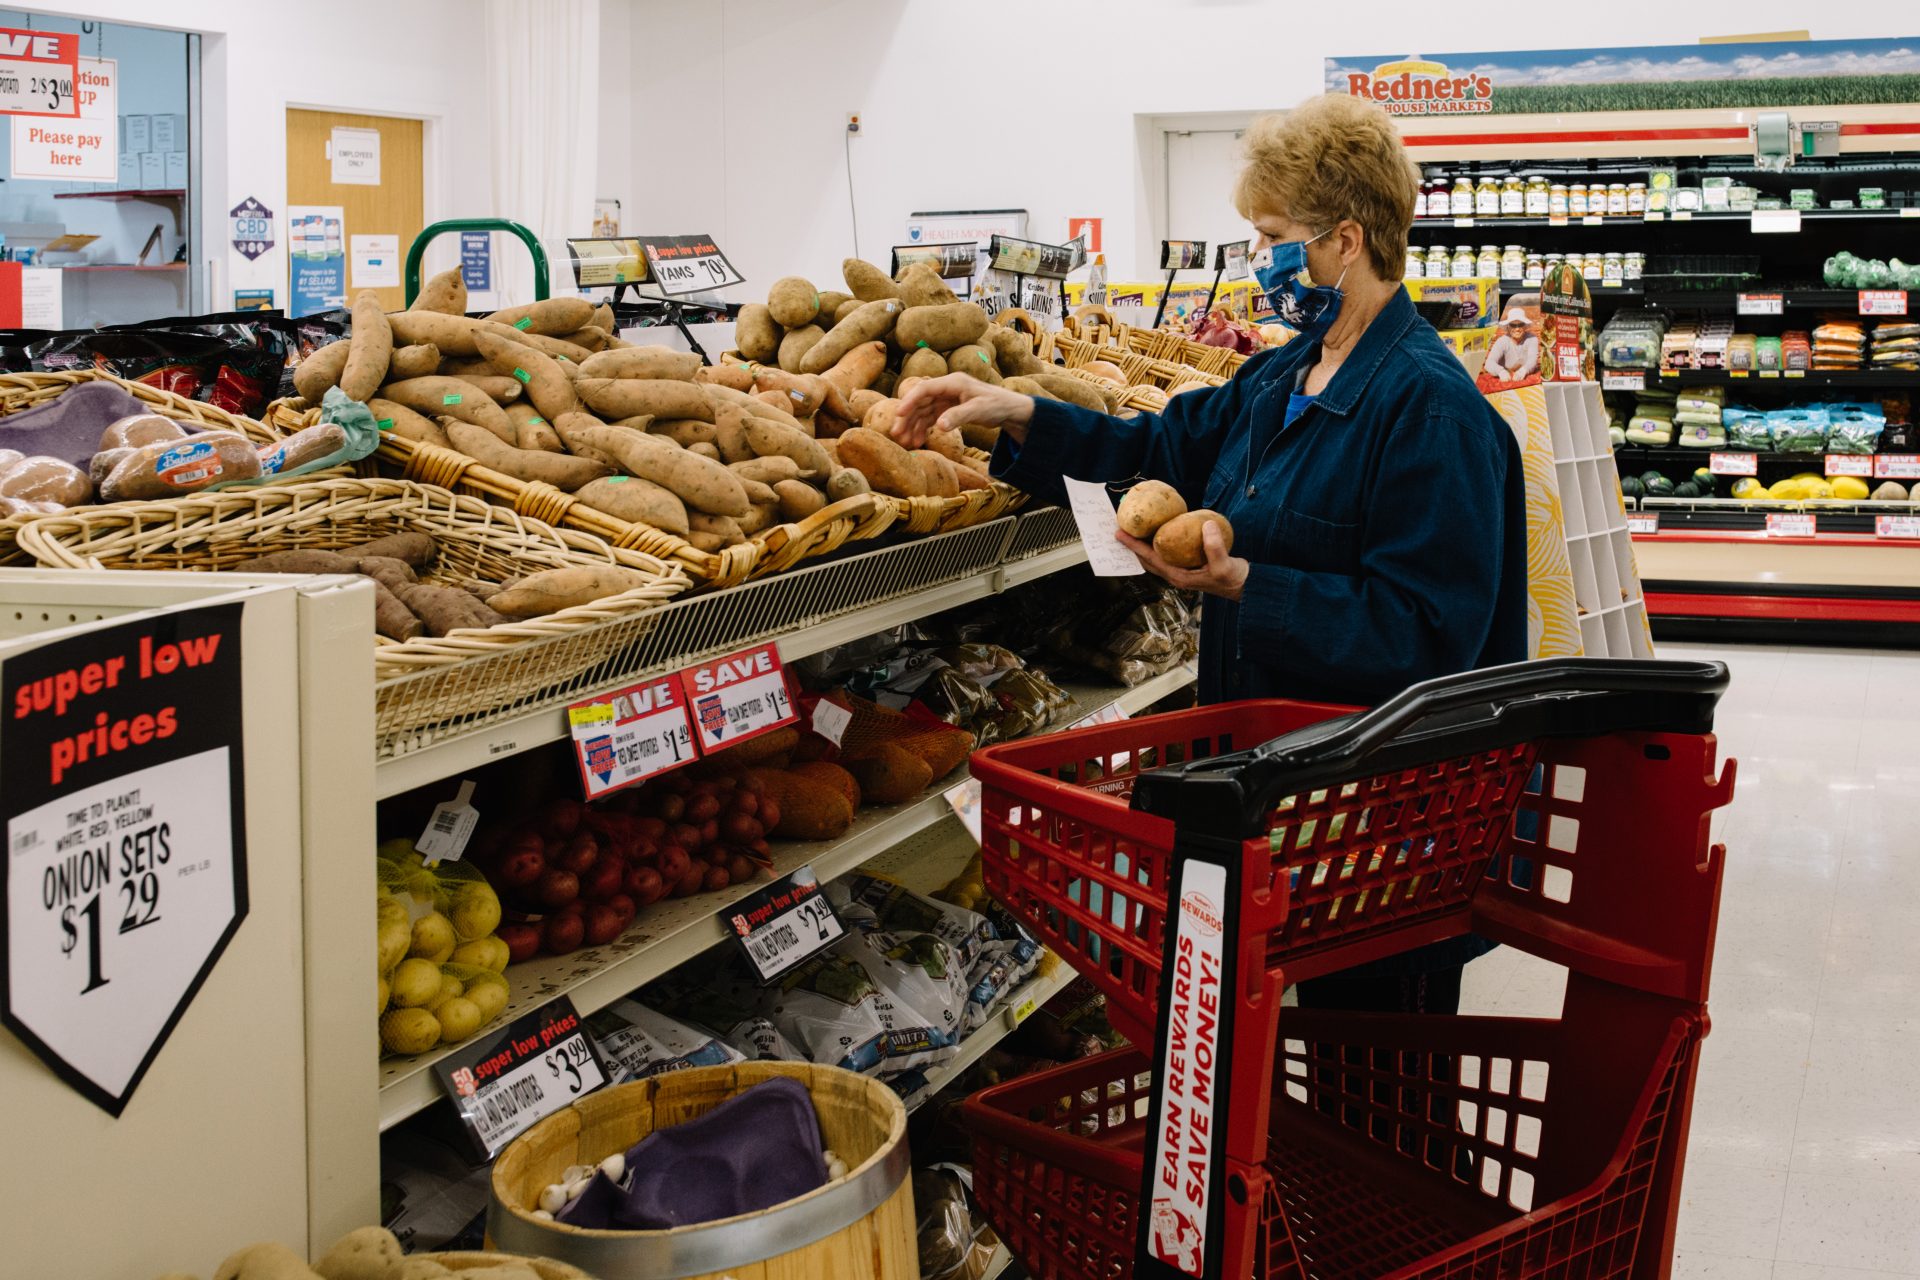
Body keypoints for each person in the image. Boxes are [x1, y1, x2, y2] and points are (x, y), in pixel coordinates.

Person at [891, 93, 1527, 1015]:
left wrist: (1245, 584)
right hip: (1297, 813)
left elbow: (1428, 638)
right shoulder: (1287, 374)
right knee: (1303, 1100)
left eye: (1274, 236)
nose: (1259, 262)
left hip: (1391, 837)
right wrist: (1016, 413)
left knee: (1383, 1105)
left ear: (1346, 240)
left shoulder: (1431, 413)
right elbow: (1157, 449)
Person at [1483, 306, 1541, 384]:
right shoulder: (1502, 341)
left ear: (1525, 326)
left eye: (1520, 325)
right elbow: (1489, 363)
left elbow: (1532, 359)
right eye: (1513, 325)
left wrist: (1523, 371)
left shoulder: (1532, 339)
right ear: (1508, 327)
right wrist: (1501, 371)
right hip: (1506, 377)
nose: (1517, 329)